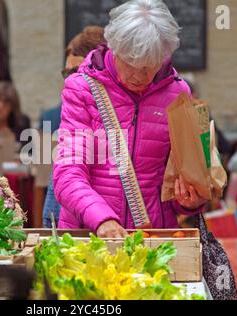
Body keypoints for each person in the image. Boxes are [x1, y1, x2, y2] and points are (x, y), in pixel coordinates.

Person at [53, 0, 207, 237]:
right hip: (90, 234)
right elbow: (67, 174)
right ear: (113, 48)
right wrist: (101, 218)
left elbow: (179, 180)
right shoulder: (81, 88)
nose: (138, 75)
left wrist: (190, 200)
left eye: (149, 66)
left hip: (152, 238)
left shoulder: (179, 94)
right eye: (129, 63)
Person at [42, 26, 106, 228]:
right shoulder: (65, 113)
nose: (71, 80)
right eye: (66, 73)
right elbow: (50, 217)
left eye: (77, 72)